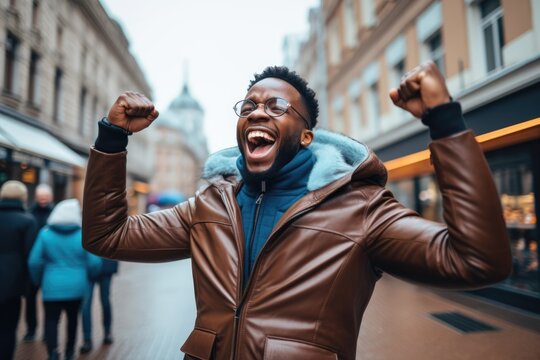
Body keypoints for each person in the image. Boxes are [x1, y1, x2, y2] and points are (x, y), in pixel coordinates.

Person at [82, 63, 512, 359]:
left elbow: (476, 260)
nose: (257, 113)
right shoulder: (209, 206)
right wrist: (112, 139)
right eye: (248, 106)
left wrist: (446, 123)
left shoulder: (359, 209)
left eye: (276, 106)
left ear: (306, 136)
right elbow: (107, 236)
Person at [28, 199, 101, 360]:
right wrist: (89, 275)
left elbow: (34, 262)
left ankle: (53, 353)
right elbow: (95, 262)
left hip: (51, 285)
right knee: (73, 319)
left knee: (51, 320)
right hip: (77, 286)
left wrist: (38, 280)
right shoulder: (83, 235)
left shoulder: (45, 233)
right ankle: (69, 352)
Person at [0, 181, 37, 360]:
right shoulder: (27, 221)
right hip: (12, 285)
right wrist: (29, 285)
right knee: (8, 328)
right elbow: (30, 256)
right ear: (23, 197)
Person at [24, 183, 55, 342]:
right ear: (36, 197)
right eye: (40, 197)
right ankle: (31, 329)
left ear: (50, 198)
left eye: (45, 197)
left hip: (50, 265)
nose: (43, 200)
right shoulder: (29, 213)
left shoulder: (55, 214)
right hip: (33, 263)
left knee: (48, 300)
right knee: (30, 299)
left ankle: (47, 332)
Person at [79, 258, 119, 353]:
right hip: (87, 267)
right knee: (85, 305)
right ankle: (87, 338)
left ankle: (107, 332)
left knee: (105, 300)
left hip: (106, 266)